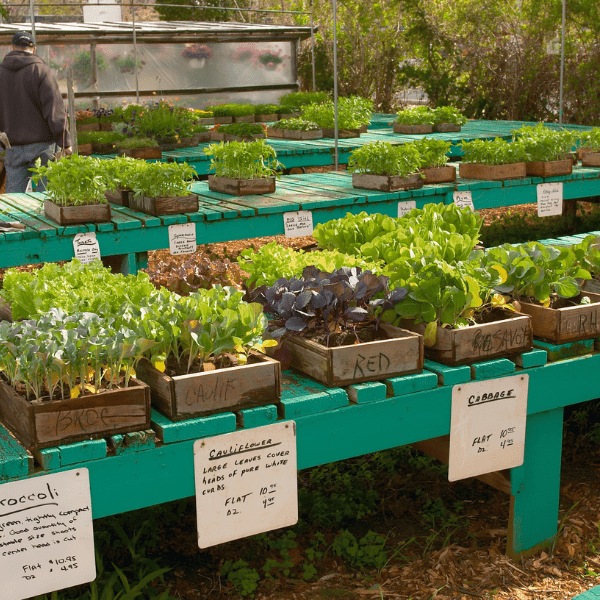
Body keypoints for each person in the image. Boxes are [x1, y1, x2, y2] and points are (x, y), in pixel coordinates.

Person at [0, 31, 72, 193]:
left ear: (11, 47)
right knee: (45, 198)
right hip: (43, 146)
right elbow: (54, 110)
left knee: (14, 201)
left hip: (13, 146)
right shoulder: (41, 71)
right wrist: (65, 142)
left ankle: (12, 219)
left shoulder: (1, 73)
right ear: (33, 49)